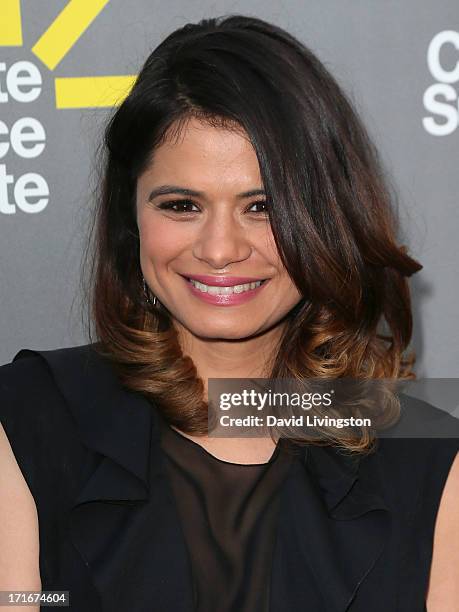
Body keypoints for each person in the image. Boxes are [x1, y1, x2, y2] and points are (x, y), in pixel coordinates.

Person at [1, 14, 458, 612]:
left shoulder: (428, 461)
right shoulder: (28, 418)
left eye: (263, 206)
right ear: (130, 216)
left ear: (326, 217)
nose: (220, 249)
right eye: (182, 204)